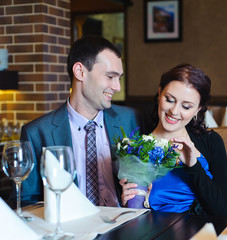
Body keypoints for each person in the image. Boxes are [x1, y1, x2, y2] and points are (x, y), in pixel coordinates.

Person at [19, 35, 140, 207]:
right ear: (80, 72)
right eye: (110, 76)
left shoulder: (130, 120)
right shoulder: (37, 133)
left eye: (119, 78)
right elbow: (27, 202)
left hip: (124, 226)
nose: (117, 87)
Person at [121, 63, 227, 216]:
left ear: (198, 109)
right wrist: (126, 200)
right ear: (160, 93)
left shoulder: (211, 141)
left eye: (186, 106)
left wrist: (193, 165)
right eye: (169, 99)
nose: (174, 111)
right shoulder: (136, 146)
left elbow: (225, 211)